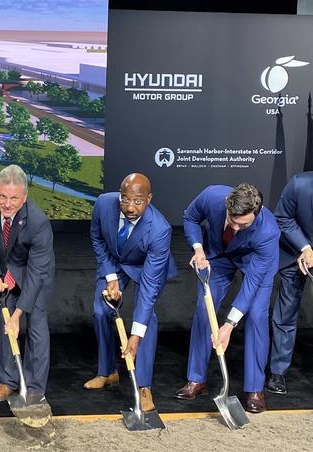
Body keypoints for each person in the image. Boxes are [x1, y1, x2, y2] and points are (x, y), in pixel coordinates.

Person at [176, 183, 279, 413]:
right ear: (227, 205)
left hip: (255, 261)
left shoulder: (268, 231)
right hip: (217, 255)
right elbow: (190, 217)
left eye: (242, 224)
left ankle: (254, 389)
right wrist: (198, 248)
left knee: (256, 316)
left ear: (257, 213)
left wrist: (230, 324)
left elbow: (252, 283)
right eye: (232, 220)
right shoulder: (212, 196)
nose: (235, 227)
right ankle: (197, 379)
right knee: (205, 310)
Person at [86, 173, 177, 411]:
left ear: (149, 199)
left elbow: (148, 289)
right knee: (100, 310)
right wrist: (111, 277)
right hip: (115, 262)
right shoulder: (104, 204)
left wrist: (134, 335)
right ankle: (107, 372)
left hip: (146, 266)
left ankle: (144, 387)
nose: (130, 207)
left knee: (147, 318)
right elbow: (97, 238)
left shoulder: (160, 229)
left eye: (137, 201)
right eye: (125, 200)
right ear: (119, 195)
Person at [0, 164, 55, 403]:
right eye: (2, 196)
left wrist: (18, 313)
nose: (7, 204)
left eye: (14, 198)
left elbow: (35, 271)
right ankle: (8, 381)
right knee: (5, 323)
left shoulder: (38, 222)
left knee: (36, 325)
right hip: (5, 270)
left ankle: (34, 388)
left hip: (36, 272)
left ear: (24, 197)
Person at [267, 172, 313, 395]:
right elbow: (282, 217)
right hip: (293, 254)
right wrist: (304, 248)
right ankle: (278, 372)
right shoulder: (300, 184)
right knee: (286, 313)